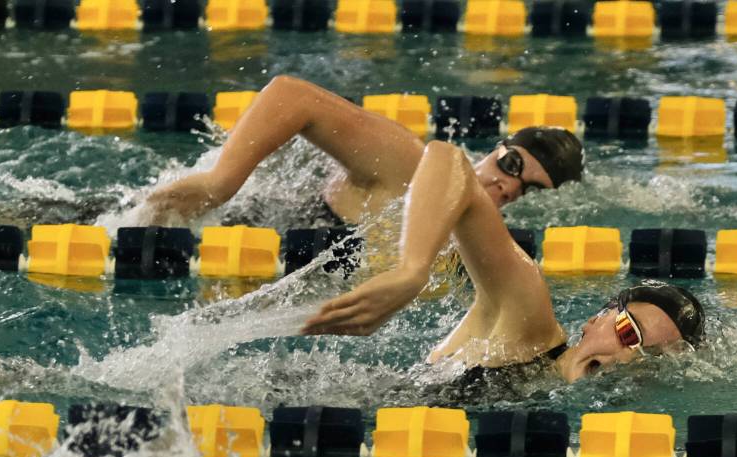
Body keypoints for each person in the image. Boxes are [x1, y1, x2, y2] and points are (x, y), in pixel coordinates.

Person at [301, 140, 704, 388]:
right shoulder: (529, 325)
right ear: (595, 320)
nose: (628, 357)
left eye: (651, 358)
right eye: (626, 332)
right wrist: (412, 271)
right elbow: (447, 159)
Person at [144, 75, 584, 226]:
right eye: (511, 165)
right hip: (220, 224)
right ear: (496, 148)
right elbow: (292, 95)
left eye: (527, 189)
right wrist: (222, 182)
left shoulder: (469, 238)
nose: (508, 186)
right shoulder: (412, 164)